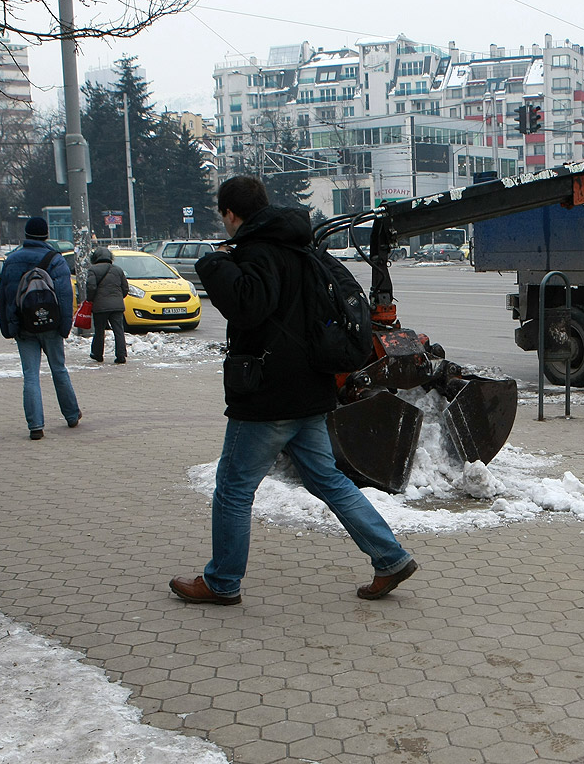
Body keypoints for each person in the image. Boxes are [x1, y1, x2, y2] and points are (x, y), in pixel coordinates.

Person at [169, 176, 417, 605]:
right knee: (328, 479)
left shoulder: (259, 251)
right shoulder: (302, 247)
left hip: (270, 397)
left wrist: (215, 265)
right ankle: (390, 557)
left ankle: (222, 582)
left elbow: (249, 306)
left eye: (223, 216)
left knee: (232, 488)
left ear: (231, 214)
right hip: (310, 391)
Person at [0, 217, 82, 440]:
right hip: (51, 325)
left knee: (30, 375)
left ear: (26, 234)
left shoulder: (11, 260)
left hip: (24, 327)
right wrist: (64, 327)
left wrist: (8, 327)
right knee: (59, 370)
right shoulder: (55, 259)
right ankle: (71, 415)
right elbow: (64, 296)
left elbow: (3, 296)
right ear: (46, 235)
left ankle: (35, 425)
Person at [86, 247, 129, 364]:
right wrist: (118, 298)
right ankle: (121, 355)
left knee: (99, 330)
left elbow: (91, 287)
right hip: (117, 306)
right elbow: (125, 288)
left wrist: (90, 299)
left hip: (100, 306)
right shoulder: (118, 270)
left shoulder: (92, 270)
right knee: (119, 330)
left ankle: (97, 354)